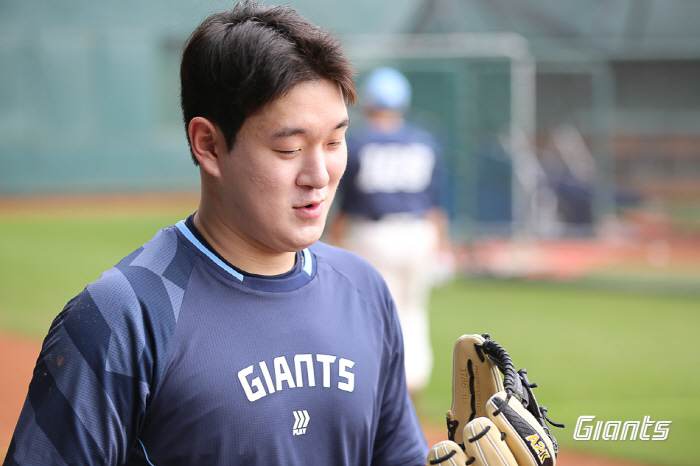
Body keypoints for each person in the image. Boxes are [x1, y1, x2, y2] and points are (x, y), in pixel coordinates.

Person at [3, 3, 428, 465]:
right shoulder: (120, 318)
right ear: (208, 144)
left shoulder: (364, 290)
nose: (320, 174)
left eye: (334, 142)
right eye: (289, 148)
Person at [330, 67, 452, 396]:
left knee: (376, 312)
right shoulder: (424, 141)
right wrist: (442, 249)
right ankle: (413, 382)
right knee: (413, 310)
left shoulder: (358, 144)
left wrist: (333, 246)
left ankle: (380, 383)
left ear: (368, 103)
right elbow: (436, 206)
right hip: (419, 233)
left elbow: (345, 207)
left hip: (373, 235)